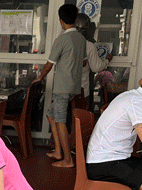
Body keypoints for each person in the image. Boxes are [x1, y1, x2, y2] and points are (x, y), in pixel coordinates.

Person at [33, 3, 86, 168]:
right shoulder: (81, 39)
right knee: (51, 115)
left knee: (61, 121)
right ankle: (58, 151)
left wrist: (40, 78)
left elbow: (49, 64)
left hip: (62, 87)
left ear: (61, 21)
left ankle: (68, 160)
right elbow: (83, 62)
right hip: (73, 86)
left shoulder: (62, 39)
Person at [76, 13, 112, 109]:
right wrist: (107, 60)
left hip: (64, 89)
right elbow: (96, 67)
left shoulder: (64, 42)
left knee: (64, 118)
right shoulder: (88, 45)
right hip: (81, 90)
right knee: (80, 118)